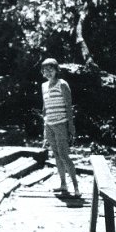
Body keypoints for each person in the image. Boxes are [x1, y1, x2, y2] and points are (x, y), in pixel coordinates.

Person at [40, 58, 80, 197]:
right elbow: (45, 107)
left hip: (61, 123)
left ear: (57, 70)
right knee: (56, 155)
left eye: (51, 69)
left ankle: (76, 186)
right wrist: (45, 128)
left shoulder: (62, 84)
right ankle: (63, 184)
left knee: (64, 155)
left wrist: (71, 126)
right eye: (45, 70)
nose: (48, 72)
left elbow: (69, 107)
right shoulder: (44, 86)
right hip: (49, 124)